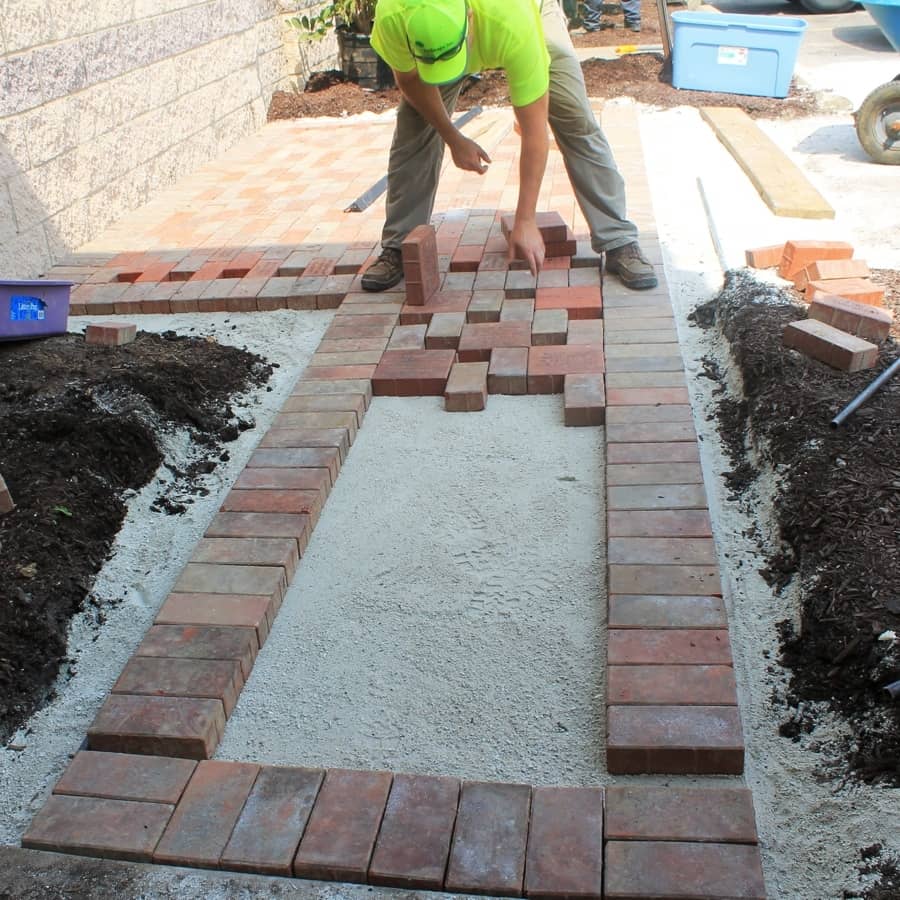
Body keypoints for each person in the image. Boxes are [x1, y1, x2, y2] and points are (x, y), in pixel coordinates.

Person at [361, 0, 658, 292]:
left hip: (530, 15)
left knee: (575, 119)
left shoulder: (513, 21)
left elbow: (534, 131)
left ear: (470, 16)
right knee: (415, 129)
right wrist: (453, 137)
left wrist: (525, 219)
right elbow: (411, 80)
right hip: (451, 37)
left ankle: (618, 239)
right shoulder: (394, 13)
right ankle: (400, 247)